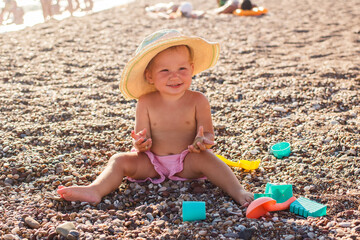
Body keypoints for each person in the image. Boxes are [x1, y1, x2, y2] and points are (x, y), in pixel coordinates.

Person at [57, 29, 254, 206]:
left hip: (187, 160)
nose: (174, 76)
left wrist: (202, 141)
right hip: (151, 162)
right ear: (150, 76)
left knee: (210, 160)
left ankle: (237, 191)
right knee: (118, 160)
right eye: (165, 70)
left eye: (182, 69)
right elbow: (142, 140)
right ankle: (95, 189)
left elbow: (208, 134)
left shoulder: (198, 100)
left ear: (192, 68)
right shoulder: (145, 101)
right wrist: (141, 144)